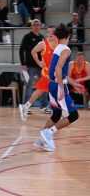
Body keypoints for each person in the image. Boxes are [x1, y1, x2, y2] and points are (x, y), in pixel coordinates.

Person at [33, 23, 85, 152]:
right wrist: (62, 88)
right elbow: (58, 69)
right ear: (68, 35)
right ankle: (49, 133)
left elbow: (62, 72)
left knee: (56, 114)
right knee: (74, 116)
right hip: (57, 85)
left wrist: (74, 83)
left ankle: (41, 139)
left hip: (52, 84)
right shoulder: (66, 50)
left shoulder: (58, 48)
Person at [19, 25, 58, 121]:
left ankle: (26, 106)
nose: (50, 33)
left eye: (52, 31)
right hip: (47, 73)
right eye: (48, 32)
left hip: (57, 73)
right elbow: (33, 51)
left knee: (57, 90)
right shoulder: (43, 44)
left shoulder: (60, 43)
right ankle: (26, 106)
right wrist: (39, 62)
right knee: (40, 91)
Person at [19, 19, 46, 114]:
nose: (36, 26)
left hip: (41, 66)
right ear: (31, 26)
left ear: (40, 26)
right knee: (29, 86)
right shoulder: (27, 37)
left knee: (45, 85)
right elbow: (21, 50)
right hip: (30, 66)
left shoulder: (42, 37)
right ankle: (27, 106)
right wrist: (23, 63)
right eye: (34, 24)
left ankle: (44, 106)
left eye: (38, 24)